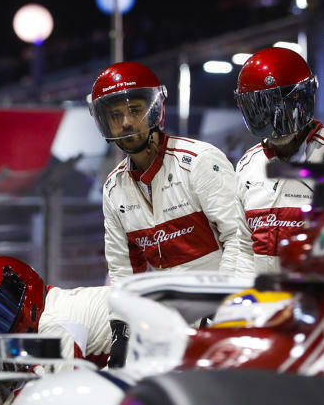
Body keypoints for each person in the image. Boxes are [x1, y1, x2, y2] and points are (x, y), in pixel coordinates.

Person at [88, 61, 254, 285]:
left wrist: (224, 302)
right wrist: (123, 317)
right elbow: (122, 269)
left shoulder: (199, 161)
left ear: (155, 109)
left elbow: (239, 238)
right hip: (169, 313)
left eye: (135, 110)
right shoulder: (113, 188)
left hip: (219, 305)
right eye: (115, 115)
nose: (126, 122)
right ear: (104, 123)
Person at [234, 47, 324, 274]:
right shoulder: (247, 165)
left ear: (303, 98)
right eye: (262, 108)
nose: (275, 124)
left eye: (282, 108)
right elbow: (244, 248)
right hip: (264, 303)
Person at [0, 256, 114, 367]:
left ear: (21, 280)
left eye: (7, 300)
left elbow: (62, 395)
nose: (7, 317)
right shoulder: (53, 301)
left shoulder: (54, 323)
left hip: (132, 343)